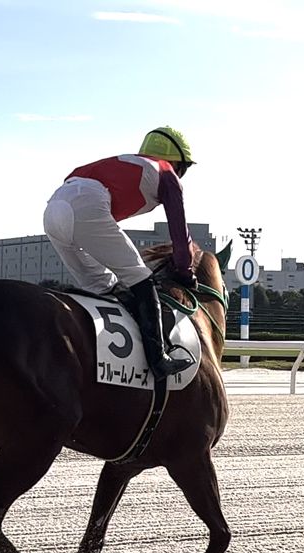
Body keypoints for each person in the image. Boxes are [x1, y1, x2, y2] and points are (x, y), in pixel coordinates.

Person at [43, 126, 197, 378]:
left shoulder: (127, 164)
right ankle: (158, 360)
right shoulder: (167, 174)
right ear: (176, 162)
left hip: (53, 209)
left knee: (103, 287)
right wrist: (185, 272)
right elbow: (181, 236)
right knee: (141, 279)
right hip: (86, 206)